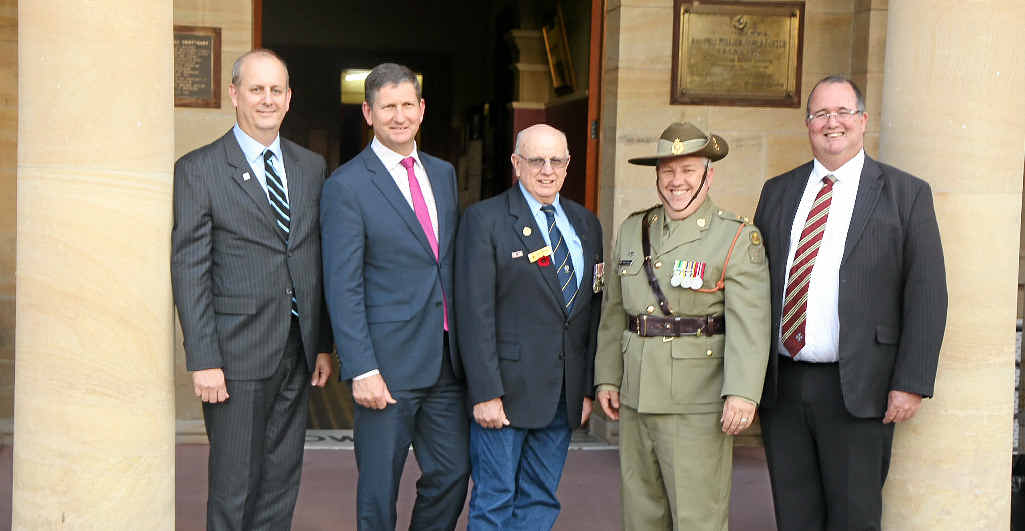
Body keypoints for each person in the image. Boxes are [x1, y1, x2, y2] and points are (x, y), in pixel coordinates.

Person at [755, 75, 947, 530]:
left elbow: (927, 292)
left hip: (861, 388)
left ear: (862, 121)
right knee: (794, 516)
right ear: (807, 124)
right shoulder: (777, 191)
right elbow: (754, 288)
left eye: (842, 112)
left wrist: (912, 381)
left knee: (854, 518)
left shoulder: (905, 194)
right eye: (820, 113)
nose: (831, 122)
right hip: (783, 386)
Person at [171, 49, 333, 530]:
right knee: (234, 485)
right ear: (234, 95)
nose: (267, 99)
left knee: (281, 481)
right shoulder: (198, 169)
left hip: (296, 351)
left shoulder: (311, 167)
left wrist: (321, 344)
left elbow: (312, 260)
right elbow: (190, 268)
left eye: (276, 90)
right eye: (256, 89)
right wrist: (203, 358)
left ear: (289, 99)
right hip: (234, 355)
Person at [594, 122, 770, 530]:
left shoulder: (736, 238)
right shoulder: (634, 229)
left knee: (697, 517)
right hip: (637, 394)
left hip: (697, 401)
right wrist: (607, 378)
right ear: (657, 176)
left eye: (688, 170)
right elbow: (615, 312)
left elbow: (751, 326)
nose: (677, 181)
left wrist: (742, 394)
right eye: (668, 171)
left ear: (709, 175)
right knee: (641, 514)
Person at [320, 62, 468, 531]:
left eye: (408, 105)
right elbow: (343, 285)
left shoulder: (443, 174)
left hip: (444, 359)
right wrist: (361, 367)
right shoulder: (346, 185)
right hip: (384, 364)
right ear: (368, 113)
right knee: (379, 490)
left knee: (452, 473)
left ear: (422, 110)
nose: (399, 115)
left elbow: (442, 262)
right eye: (388, 107)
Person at [455, 124, 603, 530]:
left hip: (562, 395)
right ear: (516, 164)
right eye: (536, 160)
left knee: (541, 498)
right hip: (505, 396)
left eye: (557, 160)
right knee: (494, 501)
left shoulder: (587, 224)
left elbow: (593, 312)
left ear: (569, 165)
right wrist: (485, 392)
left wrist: (586, 387)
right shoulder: (484, 220)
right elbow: (474, 313)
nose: (547, 169)